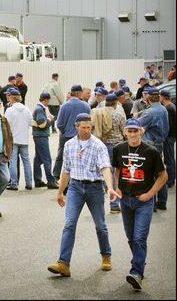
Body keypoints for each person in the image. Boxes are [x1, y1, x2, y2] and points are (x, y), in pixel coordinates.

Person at [47, 113, 119, 278]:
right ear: (76, 127)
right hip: (75, 188)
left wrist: (109, 187)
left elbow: (105, 168)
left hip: (94, 188)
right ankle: (63, 264)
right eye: (84, 127)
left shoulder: (98, 145)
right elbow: (66, 170)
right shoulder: (69, 145)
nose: (87, 130)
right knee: (69, 224)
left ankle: (106, 255)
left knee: (100, 225)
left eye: (89, 127)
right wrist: (60, 192)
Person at [112, 119, 168, 291]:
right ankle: (139, 261)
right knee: (131, 238)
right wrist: (117, 187)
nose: (133, 134)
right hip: (126, 200)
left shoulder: (151, 151)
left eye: (135, 131)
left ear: (141, 131)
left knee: (139, 238)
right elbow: (117, 169)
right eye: (129, 131)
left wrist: (150, 194)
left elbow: (163, 176)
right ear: (125, 132)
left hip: (144, 201)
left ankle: (136, 272)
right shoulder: (118, 149)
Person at [138, 88, 169, 210]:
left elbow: (136, 124)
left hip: (150, 144)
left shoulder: (150, 112)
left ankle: (153, 204)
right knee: (160, 172)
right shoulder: (163, 109)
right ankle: (162, 202)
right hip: (160, 142)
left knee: (149, 174)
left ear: (148, 98)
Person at [53, 84, 91, 181]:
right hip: (82, 137)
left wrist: (64, 132)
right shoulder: (86, 106)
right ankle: (79, 177)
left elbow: (59, 123)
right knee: (80, 158)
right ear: (79, 93)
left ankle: (56, 175)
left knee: (62, 156)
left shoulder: (64, 106)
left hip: (67, 136)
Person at [5, 88, 33, 190]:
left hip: (13, 139)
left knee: (13, 161)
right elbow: (31, 122)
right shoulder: (27, 109)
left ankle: (14, 183)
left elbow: (6, 125)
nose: (8, 98)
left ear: (12, 97)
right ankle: (29, 183)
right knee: (26, 161)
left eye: (9, 96)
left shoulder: (9, 110)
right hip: (24, 139)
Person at [32, 93, 59, 189]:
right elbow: (41, 123)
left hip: (38, 136)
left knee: (38, 159)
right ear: (46, 100)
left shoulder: (40, 108)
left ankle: (37, 180)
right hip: (41, 136)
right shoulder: (40, 109)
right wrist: (49, 119)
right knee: (47, 159)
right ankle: (51, 181)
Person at [159, 89, 175, 188]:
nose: (159, 98)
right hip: (172, 136)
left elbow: (167, 125)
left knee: (169, 159)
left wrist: (163, 136)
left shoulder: (168, 108)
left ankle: (170, 180)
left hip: (169, 137)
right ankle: (172, 178)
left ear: (164, 97)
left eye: (160, 96)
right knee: (171, 158)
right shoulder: (171, 106)